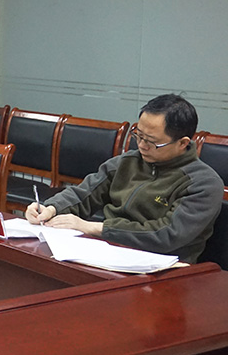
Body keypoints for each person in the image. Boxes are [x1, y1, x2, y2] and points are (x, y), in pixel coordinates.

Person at [26, 94, 223, 263]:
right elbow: (84, 194)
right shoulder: (127, 162)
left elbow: (166, 235)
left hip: (163, 266)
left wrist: (94, 228)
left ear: (182, 143)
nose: (142, 145)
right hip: (109, 251)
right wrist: (50, 208)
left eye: (152, 141)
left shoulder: (203, 183)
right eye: (139, 135)